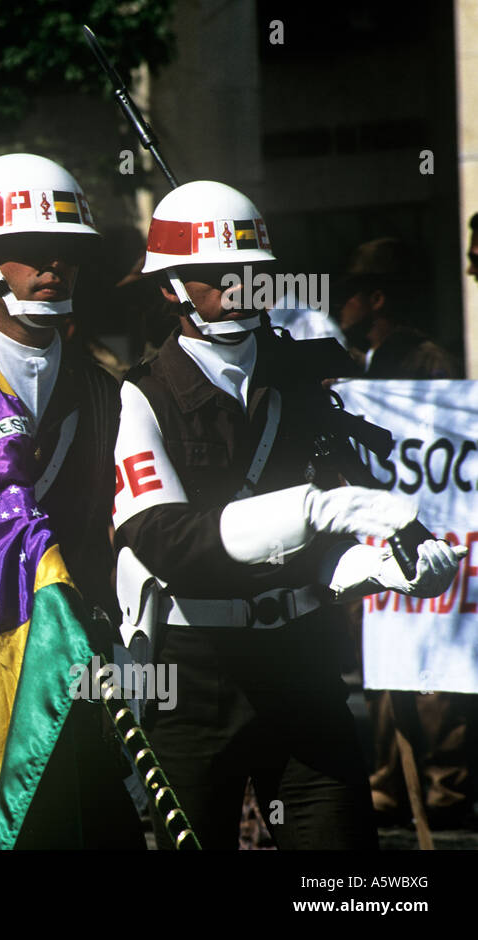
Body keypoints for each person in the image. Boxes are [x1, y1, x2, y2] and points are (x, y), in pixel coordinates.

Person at [112, 181, 463, 849]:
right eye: (217, 277)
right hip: (194, 671)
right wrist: (323, 508)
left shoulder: (300, 383)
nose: (239, 291)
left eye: (251, 276)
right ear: (171, 289)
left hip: (300, 658)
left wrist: (382, 567)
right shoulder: (140, 395)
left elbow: (320, 550)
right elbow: (168, 542)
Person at [0, 153, 144, 848]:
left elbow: (128, 525)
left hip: (79, 681)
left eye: (67, 253)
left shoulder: (107, 391)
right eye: (32, 251)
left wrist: (134, 636)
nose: (54, 268)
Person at [337, 234, 474, 829]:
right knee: (384, 661)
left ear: (375, 299)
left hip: (436, 538)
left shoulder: (427, 361)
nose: (339, 308)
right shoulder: (362, 366)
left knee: (433, 672)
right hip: (383, 535)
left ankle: (446, 786)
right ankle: (390, 781)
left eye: (349, 296)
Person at [338, 237, 457, 378]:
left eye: (348, 293)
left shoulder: (429, 361)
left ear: (377, 300)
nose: (340, 303)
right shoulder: (353, 362)